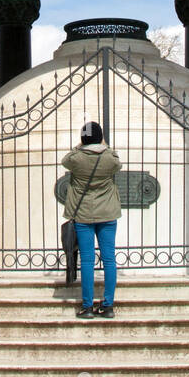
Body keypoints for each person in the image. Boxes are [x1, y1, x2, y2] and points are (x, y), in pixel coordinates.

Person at [62, 120, 122, 319]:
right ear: (100, 138)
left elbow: (65, 160)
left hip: (83, 214)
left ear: (82, 139)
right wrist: (105, 145)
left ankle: (87, 307)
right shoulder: (109, 158)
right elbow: (117, 162)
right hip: (107, 213)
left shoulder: (76, 158)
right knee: (109, 259)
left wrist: (79, 146)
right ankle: (108, 305)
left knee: (87, 261)